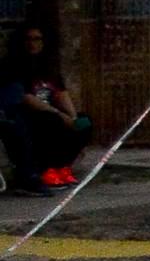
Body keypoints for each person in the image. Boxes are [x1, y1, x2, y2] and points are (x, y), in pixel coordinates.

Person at [0, 22, 94, 193]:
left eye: (37, 39)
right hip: (30, 113)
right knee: (52, 121)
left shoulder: (47, 66)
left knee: (84, 123)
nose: (33, 43)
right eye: (28, 39)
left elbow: (60, 92)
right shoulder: (13, 66)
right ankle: (46, 169)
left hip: (52, 111)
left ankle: (63, 166)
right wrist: (59, 114)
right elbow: (25, 97)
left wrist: (73, 118)